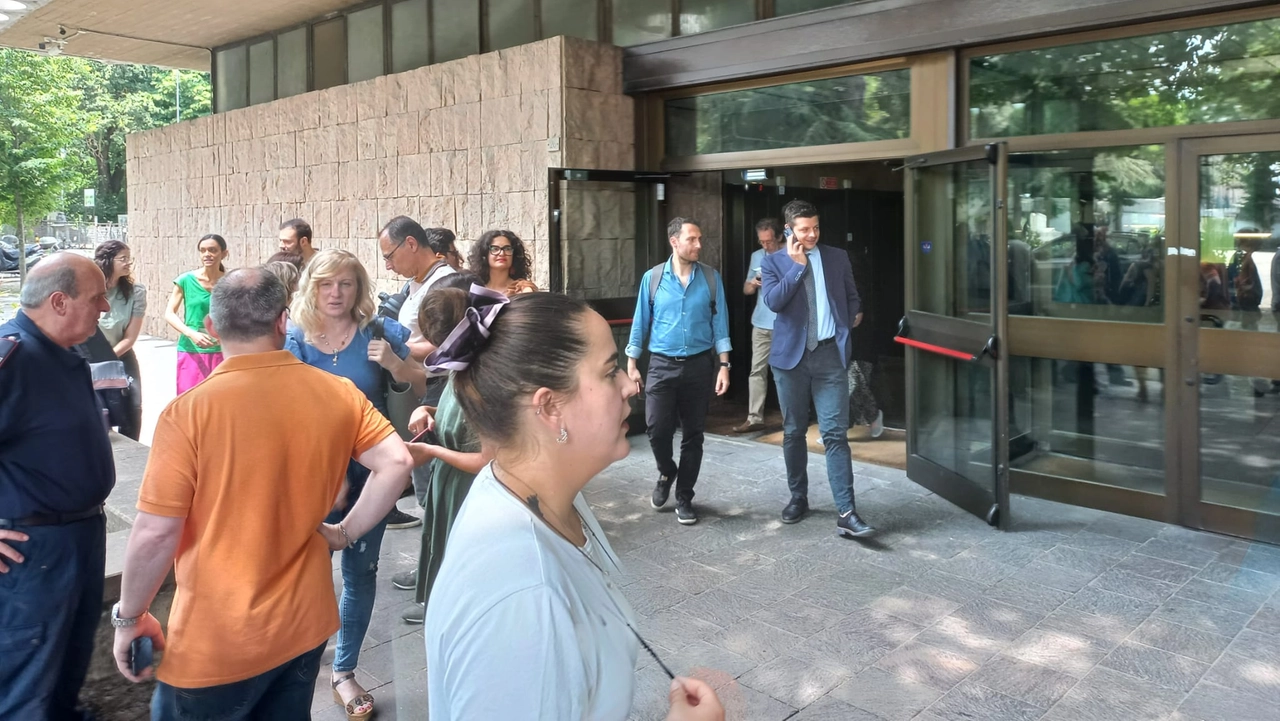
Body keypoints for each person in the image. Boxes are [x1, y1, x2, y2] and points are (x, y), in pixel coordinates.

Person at [111, 268, 414, 721]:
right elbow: (398, 462)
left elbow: (156, 533)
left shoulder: (187, 413)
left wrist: (130, 617)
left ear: (212, 329)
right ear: (283, 322)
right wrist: (344, 533)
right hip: (305, 624)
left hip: (217, 642)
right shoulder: (338, 394)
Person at [424, 289, 723, 721]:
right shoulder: (524, 603)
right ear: (549, 407)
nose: (629, 385)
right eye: (609, 371)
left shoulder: (534, 493)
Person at [282, 249, 423, 717]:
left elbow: (422, 382)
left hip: (371, 476)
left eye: (345, 283)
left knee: (360, 573)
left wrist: (396, 366)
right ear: (312, 287)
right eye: (326, 284)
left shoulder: (378, 330)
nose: (336, 293)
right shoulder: (293, 338)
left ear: (358, 287)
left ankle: (343, 670)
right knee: (306, 572)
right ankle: (302, 656)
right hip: (312, 476)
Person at [0, 253, 114, 721]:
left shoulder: (62, 350)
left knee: (68, 668)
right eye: (97, 298)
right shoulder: (14, 356)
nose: (106, 307)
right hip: (36, 548)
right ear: (60, 301)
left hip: (78, 538)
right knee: (30, 688)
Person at [761, 199, 875, 538]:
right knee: (794, 431)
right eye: (804, 229)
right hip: (790, 361)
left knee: (835, 434)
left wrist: (848, 319)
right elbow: (773, 302)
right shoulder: (773, 263)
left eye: (816, 227)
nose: (812, 234)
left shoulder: (837, 257)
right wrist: (796, 266)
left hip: (829, 356)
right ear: (789, 231)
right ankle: (798, 497)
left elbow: (853, 296)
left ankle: (847, 511)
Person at [626, 217, 731, 526]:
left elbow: (720, 324)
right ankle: (666, 470)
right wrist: (632, 363)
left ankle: (684, 496)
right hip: (661, 364)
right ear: (674, 241)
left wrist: (724, 365)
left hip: (700, 365)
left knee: (693, 435)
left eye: (700, 239)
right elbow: (640, 322)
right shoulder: (654, 278)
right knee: (656, 429)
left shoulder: (711, 279)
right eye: (692, 239)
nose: (699, 245)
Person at [392, 272, 483, 624]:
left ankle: (446, 607)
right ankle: (433, 595)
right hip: (449, 480)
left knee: (459, 551)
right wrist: (426, 410)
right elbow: (451, 408)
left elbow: (486, 459)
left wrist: (430, 453)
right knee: (439, 539)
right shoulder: (461, 369)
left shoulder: (481, 380)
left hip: (467, 487)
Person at [377, 217, 460, 362]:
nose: (388, 266)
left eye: (390, 257)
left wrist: (393, 346)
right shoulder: (416, 281)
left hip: (436, 382)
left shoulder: (444, 284)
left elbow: (450, 345)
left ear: (411, 244)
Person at [735, 217, 783, 433]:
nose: (765, 246)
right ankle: (755, 418)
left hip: (784, 323)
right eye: (761, 242)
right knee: (757, 371)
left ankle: (791, 416)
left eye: (769, 241)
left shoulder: (790, 255)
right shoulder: (757, 256)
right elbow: (745, 290)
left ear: (779, 237)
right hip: (761, 322)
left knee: (784, 372)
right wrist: (753, 283)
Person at [96, 239, 147, 440]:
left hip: (121, 354)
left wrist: (108, 358)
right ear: (107, 261)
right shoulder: (88, 289)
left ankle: (132, 447)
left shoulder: (136, 292)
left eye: (129, 258)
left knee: (133, 405)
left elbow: (130, 337)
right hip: (88, 357)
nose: (128, 263)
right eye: (123, 259)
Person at [165, 233, 229, 394]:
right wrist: (191, 334)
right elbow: (169, 313)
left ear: (224, 254)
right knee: (189, 400)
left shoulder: (231, 281)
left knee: (219, 400)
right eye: (203, 250)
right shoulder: (185, 280)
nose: (207, 254)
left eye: (213, 250)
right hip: (191, 350)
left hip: (223, 350)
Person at [469, 229, 539, 295]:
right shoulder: (474, 289)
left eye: (507, 249)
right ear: (484, 254)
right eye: (495, 249)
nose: (502, 253)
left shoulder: (522, 289)